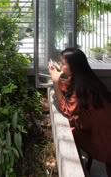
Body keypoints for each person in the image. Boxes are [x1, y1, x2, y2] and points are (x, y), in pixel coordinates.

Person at [48, 47, 111, 176]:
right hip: (102, 131)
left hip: (103, 140)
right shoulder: (85, 78)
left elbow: (66, 109)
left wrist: (55, 82)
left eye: (63, 63)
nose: (60, 66)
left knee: (71, 131)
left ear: (74, 66)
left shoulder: (82, 88)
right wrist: (58, 77)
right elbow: (66, 87)